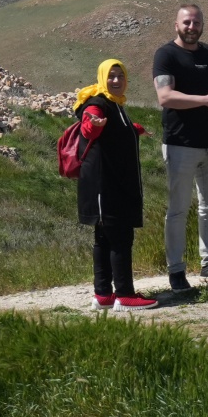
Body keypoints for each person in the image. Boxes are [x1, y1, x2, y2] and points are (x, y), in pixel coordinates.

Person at [153, 4, 208, 290]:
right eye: (186, 22)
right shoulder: (166, 55)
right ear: (176, 25)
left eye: (196, 22)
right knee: (178, 209)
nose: (191, 27)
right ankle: (176, 269)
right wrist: (204, 101)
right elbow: (165, 96)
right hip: (180, 144)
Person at [75, 59, 156, 309]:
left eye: (121, 76)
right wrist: (91, 126)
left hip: (106, 185)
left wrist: (135, 129)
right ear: (102, 78)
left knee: (104, 239)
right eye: (111, 76)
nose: (117, 81)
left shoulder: (115, 105)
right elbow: (89, 125)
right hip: (107, 186)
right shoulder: (99, 103)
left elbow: (115, 131)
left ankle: (103, 295)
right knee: (120, 237)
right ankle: (125, 294)